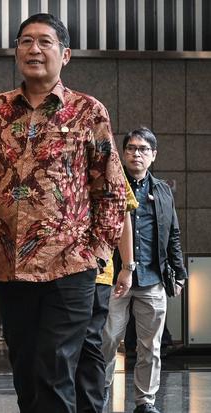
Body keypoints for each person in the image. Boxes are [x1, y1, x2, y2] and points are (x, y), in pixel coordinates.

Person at [0, 13, 126, 413]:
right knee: (26, 373)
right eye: (26, 41)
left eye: (45, 41)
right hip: (8, 266)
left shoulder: (88, 111)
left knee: (54, 368)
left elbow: (111, 189)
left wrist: (97, 251)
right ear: (16, 52)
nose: (34, 49)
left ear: (65, 54)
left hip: (71, 266)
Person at [101, 127, 187, 413]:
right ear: (123, 153)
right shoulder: (111, 186)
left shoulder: (162, 191)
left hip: (152, 278)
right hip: (114, 279)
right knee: (107, 339)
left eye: (143, 149)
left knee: (150, 346)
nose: (136, 154)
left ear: (153, 155)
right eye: (131, 148)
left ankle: (145, 401)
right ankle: (99, 393)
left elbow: (173, 234)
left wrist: (179, 272)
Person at [75, 178, 138, 413]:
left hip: (97, 271)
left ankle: (92, 406)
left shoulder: (108, 164)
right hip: (58, 272)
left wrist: (128, 266)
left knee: (92, 343)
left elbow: (123, 212)